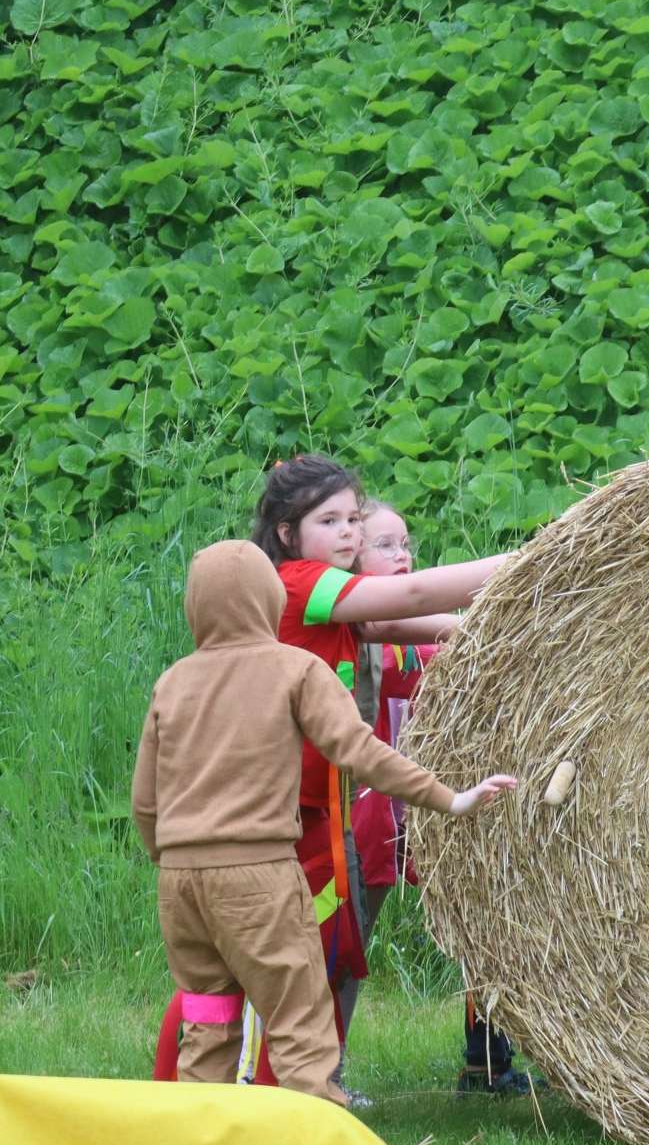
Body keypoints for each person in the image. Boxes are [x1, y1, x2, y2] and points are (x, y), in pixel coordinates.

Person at [132, 540, 516, 1106]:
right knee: (300, 1026)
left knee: (208, 1023)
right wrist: (449, 799)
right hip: (257, 876)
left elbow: (145, 801)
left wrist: (172, 858)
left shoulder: (173, 681)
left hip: (180, 883)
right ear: (269, 600)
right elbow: (362, 753)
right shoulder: (295, 669)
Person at [249, 455, 513, 1102]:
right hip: (286, 807)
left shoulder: (335, 600)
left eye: (351, 519)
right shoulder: (300, 581)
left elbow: (401, 621)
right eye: (329, 520)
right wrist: (543, 560)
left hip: (323, 805)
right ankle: (269, 1082)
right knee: (300, 947)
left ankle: (309, 1083)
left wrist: (507, 622)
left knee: (333, 942)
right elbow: (414, 596)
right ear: (286, 532)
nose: (347, 532)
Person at [346, 499, 536, 1096]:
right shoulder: (354, 628)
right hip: (371, 806)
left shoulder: (419, 637)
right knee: (348, 937)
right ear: (352, 557)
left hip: (432, 803)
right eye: (384, 545)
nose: (401, 555)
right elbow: (391, 630)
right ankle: (321, 1068)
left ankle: (487, 1060)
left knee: (480, 916)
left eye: (406, 545)